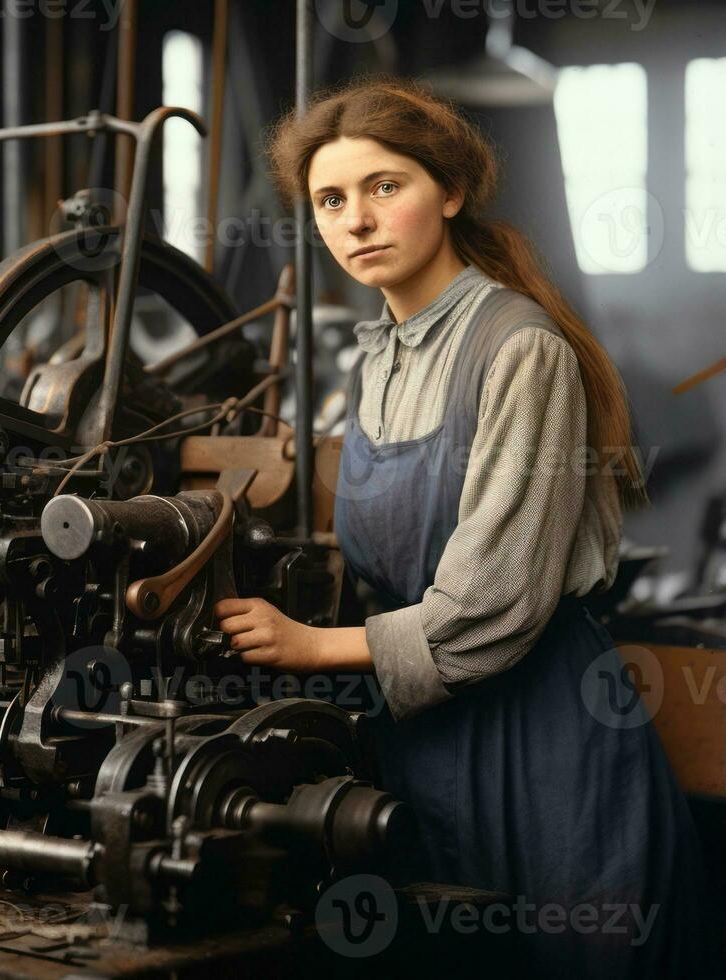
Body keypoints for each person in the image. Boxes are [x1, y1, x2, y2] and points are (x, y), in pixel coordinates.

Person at [215, 76, 711, 975]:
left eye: (383, 187)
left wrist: (308, 646)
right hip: (423, 744)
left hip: (544, 744)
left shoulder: (517, 348)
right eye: (331, 199)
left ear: (447, 191)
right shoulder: (378, 358)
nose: (356, 219)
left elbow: (495, 597)